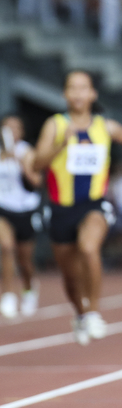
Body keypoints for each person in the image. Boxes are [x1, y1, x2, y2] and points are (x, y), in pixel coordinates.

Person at [33, 70, 122, 345]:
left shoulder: (105, 126)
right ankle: (80, 313)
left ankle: (94, 313)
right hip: (61, 208)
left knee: (89, 248)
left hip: (94, 204)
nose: (77, 93)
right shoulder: (54, 125)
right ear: (64, 94)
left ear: (92, 94)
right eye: (72, 88)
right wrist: (59, 145)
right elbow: (36, 165)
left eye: (83, 88)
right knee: (70, 276)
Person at [0, 115, 43, 319]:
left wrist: (19, 162)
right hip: (3, 208)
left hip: (25, 209)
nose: (12, 131)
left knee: (25, 259)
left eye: (16, 127)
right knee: (6, 247)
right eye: (7, 127)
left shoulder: (27, 152)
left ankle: (28, 287)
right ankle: (8, 294)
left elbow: (36, 181)